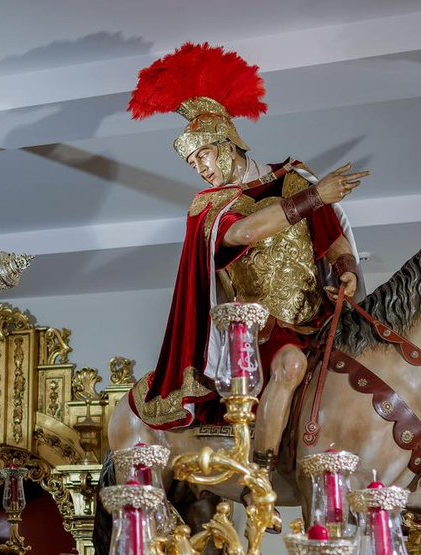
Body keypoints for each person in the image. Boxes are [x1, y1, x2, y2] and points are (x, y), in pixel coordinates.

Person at [126, 43, 368, 468]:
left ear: (227, 142)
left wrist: (345, 267)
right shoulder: (209, 205)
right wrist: (316, 195)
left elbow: (332, 238)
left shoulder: (292, 180)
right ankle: (263, 471)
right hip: (259, 328)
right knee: (290, 365)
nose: (200, 168)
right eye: (193, 161)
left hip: (319, 313)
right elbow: (242, 232)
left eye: (203, 155)